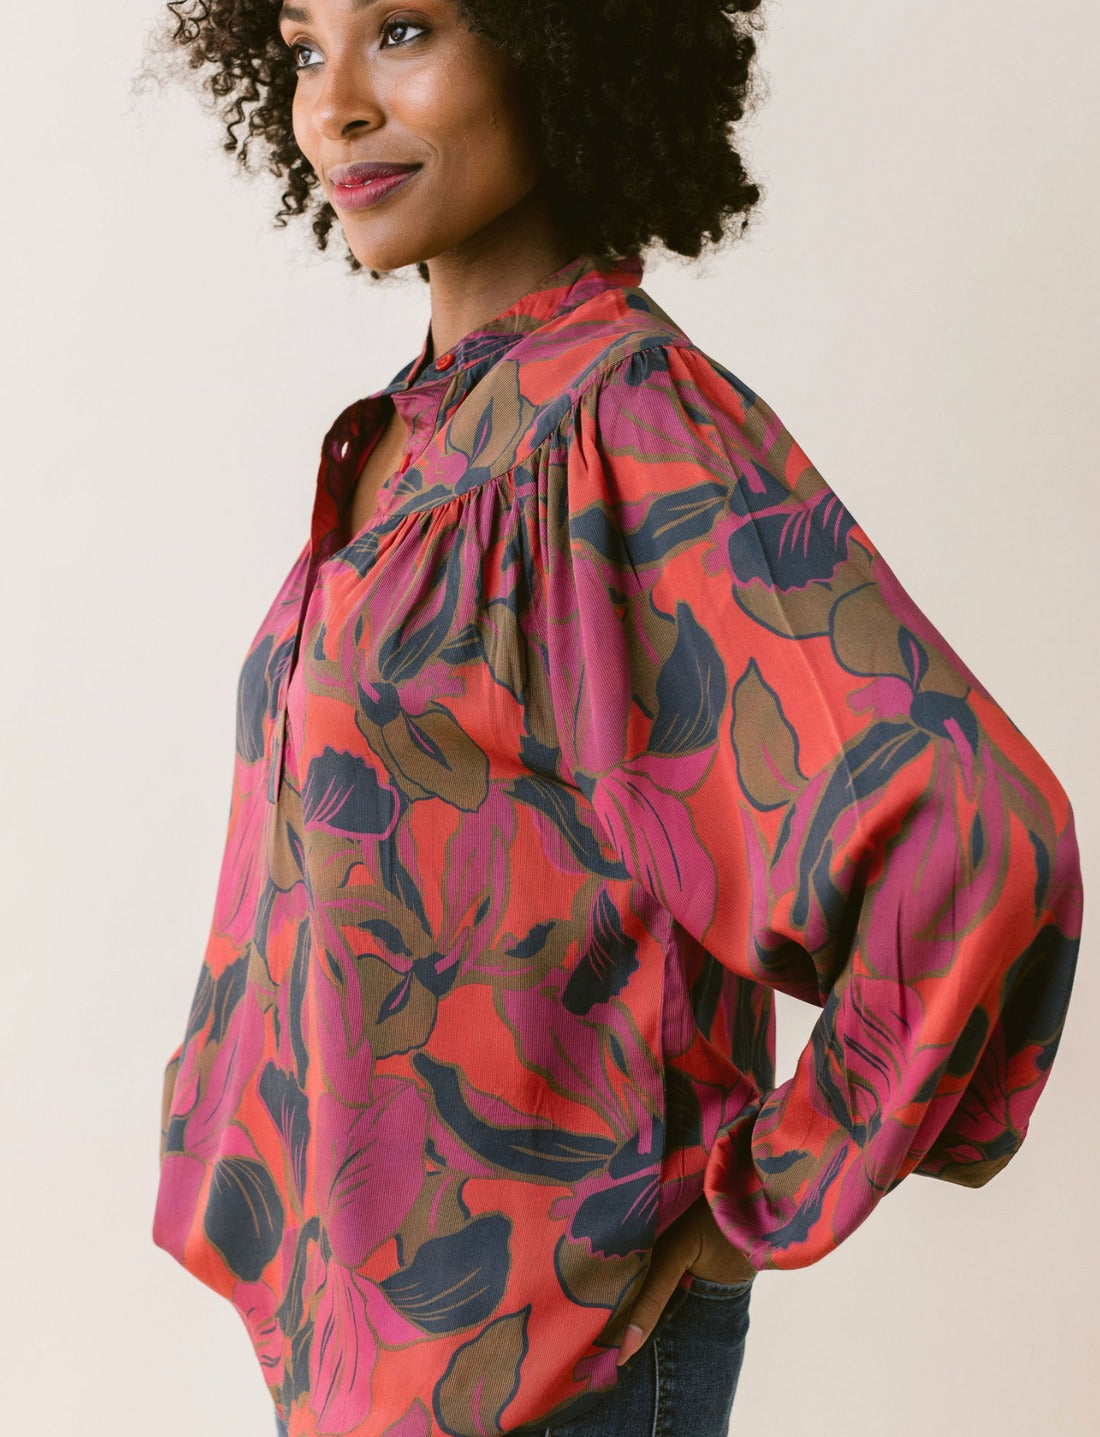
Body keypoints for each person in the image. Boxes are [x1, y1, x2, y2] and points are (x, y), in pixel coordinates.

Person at [150, 3, 1083, 1435]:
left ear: (554, 38)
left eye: (400, 29)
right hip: (386, 1339)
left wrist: (771, 1176)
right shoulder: (421, 428)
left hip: (554, 1357)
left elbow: (978, 830)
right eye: (298, 44)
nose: (331, 102)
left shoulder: (624, 424)